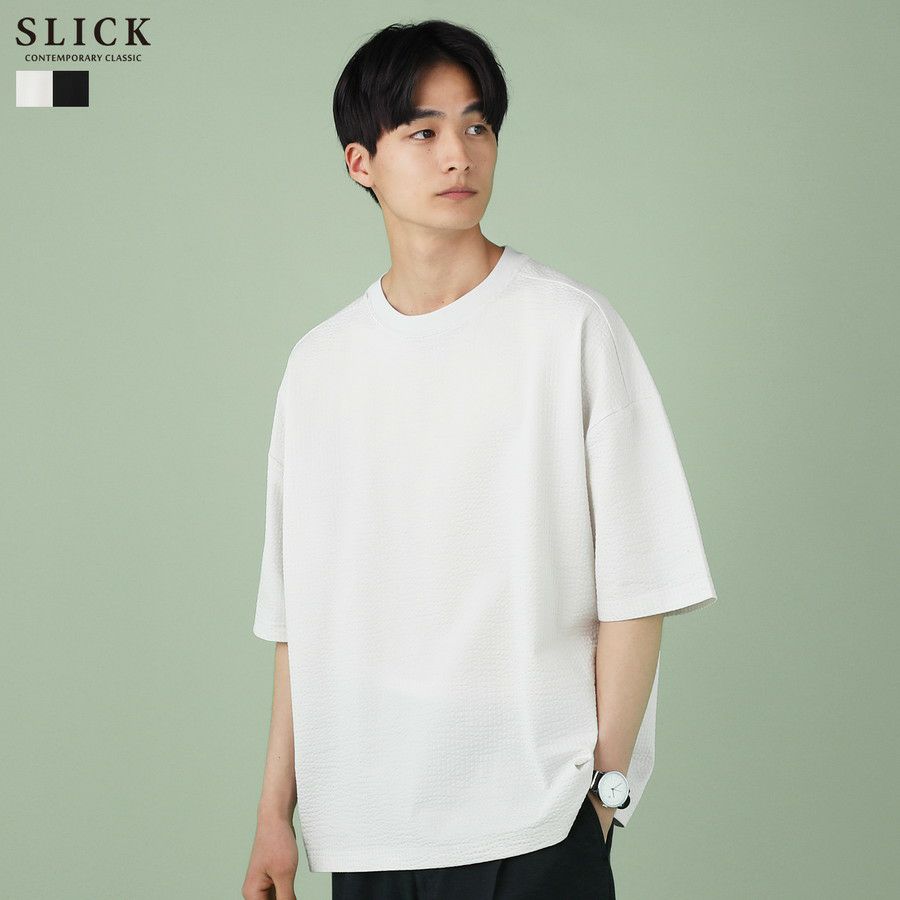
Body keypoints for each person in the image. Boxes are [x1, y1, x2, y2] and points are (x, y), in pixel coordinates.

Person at [242, 19, 718, 900]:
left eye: (477, 125)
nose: (459, 153)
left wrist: (602, 798)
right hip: (368, 830)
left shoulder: (569, 329)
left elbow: (641, 586)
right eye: (422, 132)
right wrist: (276, 813)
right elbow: (299, 617)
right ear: (360, 163)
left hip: (536, 822)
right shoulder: (319, 367)